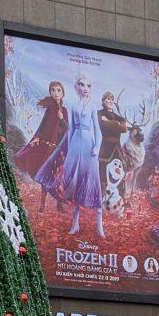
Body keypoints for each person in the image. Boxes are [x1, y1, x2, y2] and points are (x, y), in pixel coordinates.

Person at [34, 74, 105, 238]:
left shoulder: (93, 106)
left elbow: (98, 131)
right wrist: (67, 149)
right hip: (75, 146)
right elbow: (71, 130)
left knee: (91, 180)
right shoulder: (73, 105)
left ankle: (100, 225)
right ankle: (75, 224)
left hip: (89, 147)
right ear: (76, 87)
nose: (85, 88)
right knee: (73, 182)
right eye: (82, 85)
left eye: (88, 86)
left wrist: (97, 147)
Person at [13, 81, 68, 177]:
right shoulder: (50, 108)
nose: (56, 93)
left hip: (55, 144)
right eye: (53, 90)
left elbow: (67, 128)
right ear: (50, 93)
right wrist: (37, 136)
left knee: (48, 166)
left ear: (63, 93)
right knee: (34, 159)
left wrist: (61, 118)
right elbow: (43, 124)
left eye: (59, 90)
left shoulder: (64, 111)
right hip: (44, 141)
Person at [95, 91, 129, 189]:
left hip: (117, 147)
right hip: (106, 146)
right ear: (103, 101)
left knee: (120, 170)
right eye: (108, 99)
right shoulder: (99, 113)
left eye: (112, 99)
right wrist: (117, 124)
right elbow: (103, 125)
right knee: (103, 169)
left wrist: (111, 123)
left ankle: (119, 197)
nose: (110, 101)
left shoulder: (119, 117)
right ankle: (103, 196)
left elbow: (124, 129)